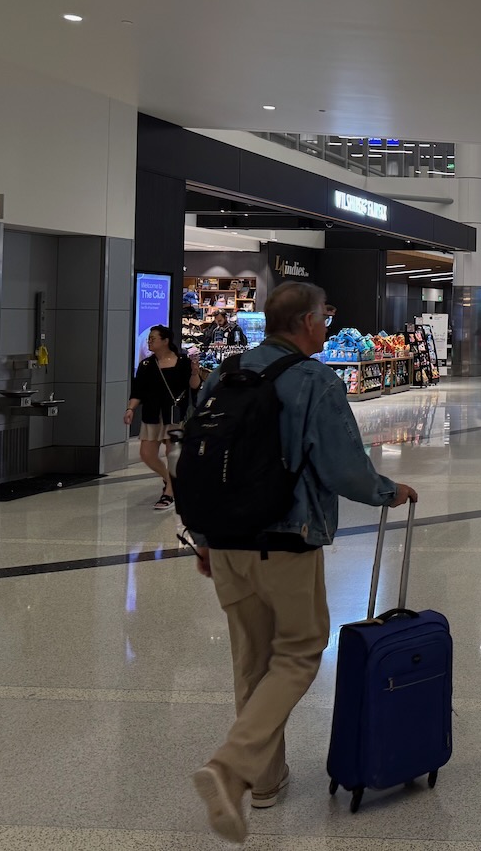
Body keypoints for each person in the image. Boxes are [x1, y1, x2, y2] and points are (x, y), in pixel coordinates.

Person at [187, 282, 417, 844]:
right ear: (306, 322)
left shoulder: (227, 373)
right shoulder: (315, 380)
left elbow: (196, 454)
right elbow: (342, 467)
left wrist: (205, 535)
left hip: (225, 541)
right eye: (325, 316)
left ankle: (264, 783)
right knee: (300, 651)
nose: (327, 326)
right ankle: (232, 766)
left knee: (251, 659)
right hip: (286, 538)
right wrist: (390, 491)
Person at [125, 325, 202, 511]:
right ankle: (171, 481)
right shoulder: (146, 365)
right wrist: (130, 409)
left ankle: (169, 493)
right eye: (149, 339)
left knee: (172, 454)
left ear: (165, 341)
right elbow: (138, 391)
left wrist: (194, 371)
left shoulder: (182, 361)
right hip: (152, 414)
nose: (149, 341)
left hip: (174, 415)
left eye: (153, 338)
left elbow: (194, 387)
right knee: (147, 454)